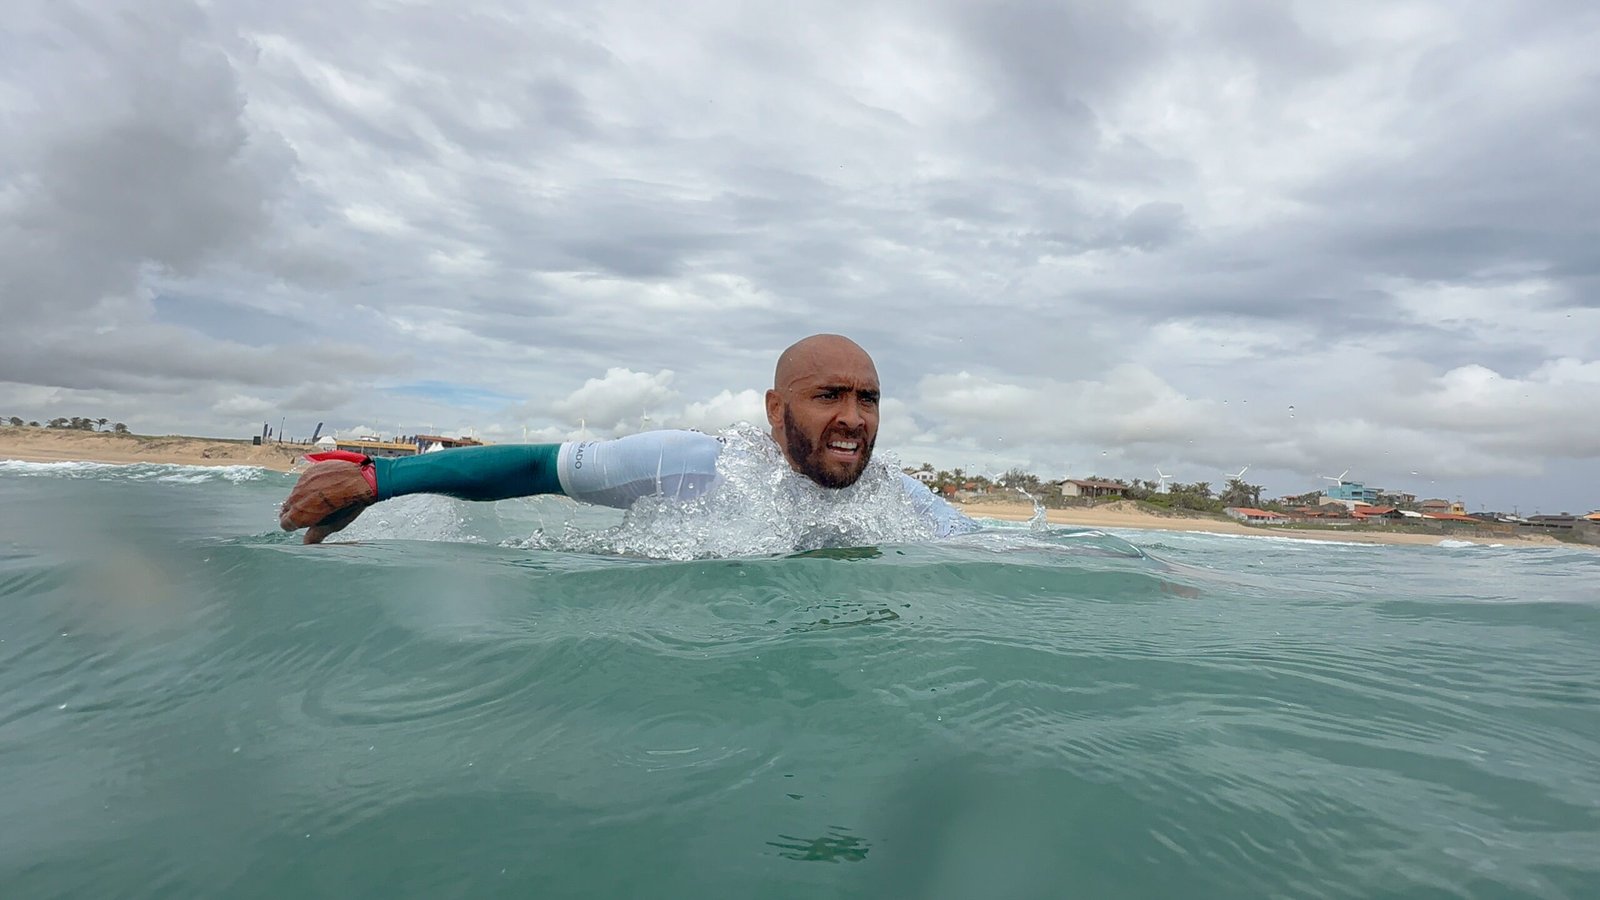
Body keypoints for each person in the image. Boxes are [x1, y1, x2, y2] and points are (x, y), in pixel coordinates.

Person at [278, 334, 976, 544]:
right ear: (774, 409)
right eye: (829, 396)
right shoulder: (697, 465)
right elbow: (535, 467)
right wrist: (376, 480)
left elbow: (985, 544)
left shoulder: (897, 500)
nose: (854, 417)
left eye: (869, 399)